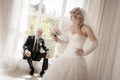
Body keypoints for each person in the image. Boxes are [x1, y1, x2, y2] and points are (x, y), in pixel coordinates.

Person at [43, 7, 98, 80]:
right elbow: (69, 42)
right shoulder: (71, 27)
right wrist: (59, 40)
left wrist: (84, 53)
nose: (70, 19)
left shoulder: (86, 28)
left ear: (77, 17)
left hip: (76, 59)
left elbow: (95, 43)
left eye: (71, 17)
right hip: (65, 56)